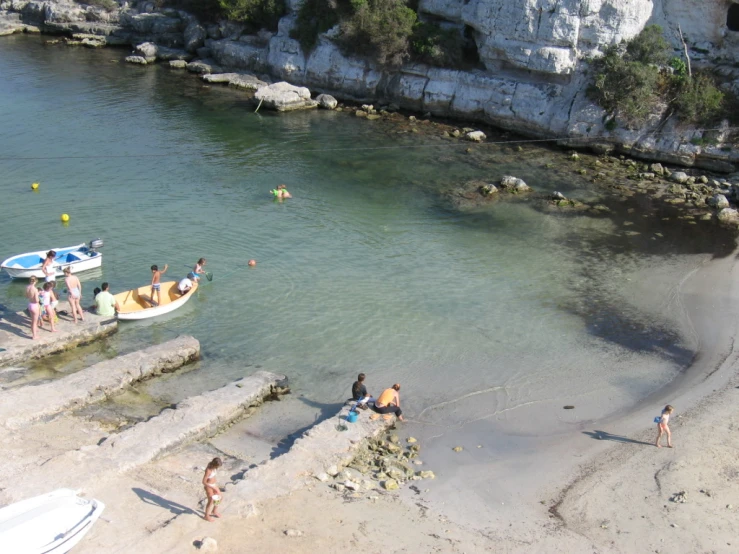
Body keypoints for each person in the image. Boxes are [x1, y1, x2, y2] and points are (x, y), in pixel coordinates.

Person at [202, 457, 223, 522]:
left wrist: (214, 486)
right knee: (211, 500)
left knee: (220, 497)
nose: (218, 467)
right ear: (214, 464)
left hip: (213, 485)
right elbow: (204, 482)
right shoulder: (208, 470)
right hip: (209, 486)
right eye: (218, 466)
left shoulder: (213, 467)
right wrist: (213, 488)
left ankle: (214, 510)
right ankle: (206, 516)